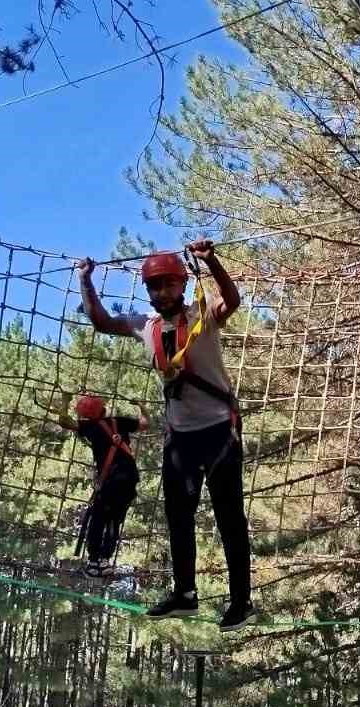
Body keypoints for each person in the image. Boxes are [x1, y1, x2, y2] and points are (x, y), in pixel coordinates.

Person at [76, 242, 253, 632]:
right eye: (154, 287)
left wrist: (211, 261)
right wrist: (85, 281)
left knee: (229, 518)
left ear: (182, 285)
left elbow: (232, 300)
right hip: (181, 437)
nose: (160, 293)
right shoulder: (147, 327)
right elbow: (103, 322)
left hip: (219, 429)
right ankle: (184, 594)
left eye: (168, 285)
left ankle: (241, 599)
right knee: (178, 518)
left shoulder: (202, 313)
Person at [48, 392, 149, 577]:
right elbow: (145, 423)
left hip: (111, 479)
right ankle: (105, 560)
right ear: (103, 409)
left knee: (98, 518)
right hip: (129, 479)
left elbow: (63, 420)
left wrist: (65, 399)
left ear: (85, 415)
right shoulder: (119, 421)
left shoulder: (90, 427)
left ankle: (94, 561)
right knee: (113, 520)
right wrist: (141, 405)